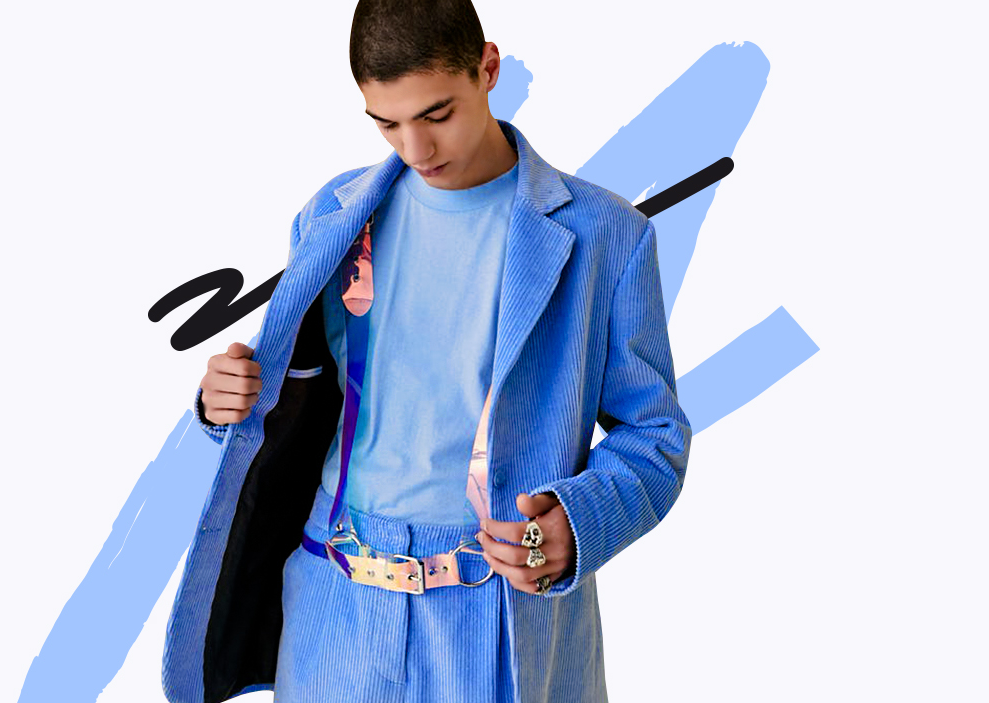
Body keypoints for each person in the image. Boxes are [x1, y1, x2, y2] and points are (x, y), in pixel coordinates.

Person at [159, 1, 693, 701]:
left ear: (488, 68)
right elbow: (291, 384)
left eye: (436, 114)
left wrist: (577, 522)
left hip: (494, 609)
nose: (414, 148)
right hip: (334, 601)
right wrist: (221, 397)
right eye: (387, 123)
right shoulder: (332, 215)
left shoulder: (606, 235)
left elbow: (656, 434)